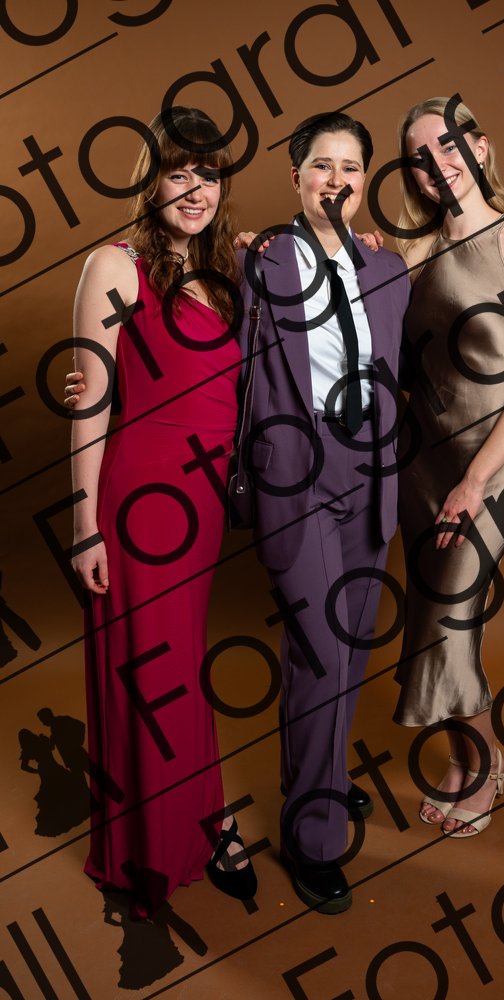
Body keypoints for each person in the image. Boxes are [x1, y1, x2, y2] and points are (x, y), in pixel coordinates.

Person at [67, 106, 256, 918]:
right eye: (179, 173)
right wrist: (84, 526)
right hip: (140, 499)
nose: (195, 190)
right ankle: (160, 843)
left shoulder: (226, 272)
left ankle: (199, 818)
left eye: (208, 175)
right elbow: (89, 404)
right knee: (151, 670)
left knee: (181, 664)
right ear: (151, 182)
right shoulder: (114, 266)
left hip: (202, 503)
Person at [233, 111, 410, 912]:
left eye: (351, 168)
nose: (336, 180)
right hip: (297, 473)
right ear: (295, 177)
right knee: (321, 653)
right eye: (320, 166)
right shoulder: (257, 260)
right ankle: (313, 838)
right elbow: (186, 318)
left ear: (365, 180)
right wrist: (99, 381)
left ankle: (325, 779)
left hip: (373, 471)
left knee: (352, 649)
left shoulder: (388, 268)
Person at [393, 96, 504, 836]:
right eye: (419, 158)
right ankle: (464, 762)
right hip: (419, 462)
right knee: (431, 617)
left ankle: (487, 763)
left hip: (489, 461)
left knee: (451, 619)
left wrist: (474, 481)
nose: (438, 164)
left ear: (481, 147)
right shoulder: (411, 253)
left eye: (449, 145)